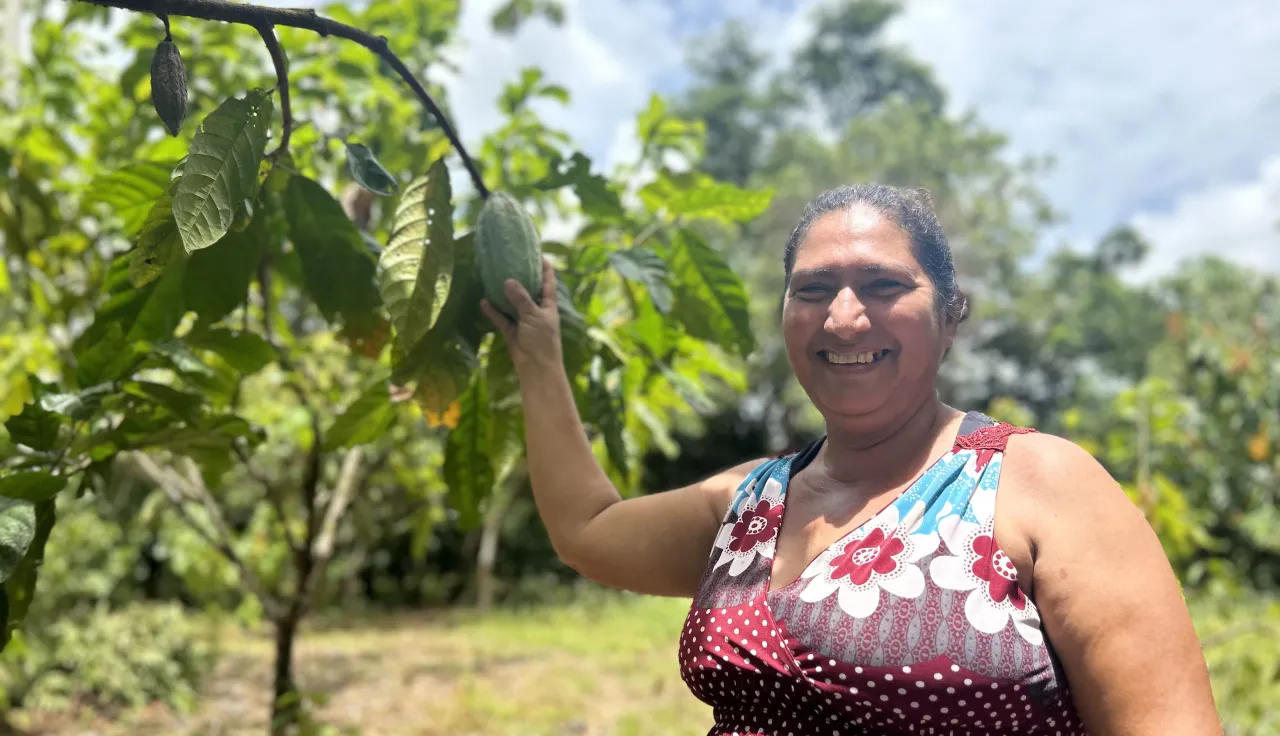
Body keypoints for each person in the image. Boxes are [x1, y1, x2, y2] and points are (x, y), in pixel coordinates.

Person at [480, 183, 1222, 736]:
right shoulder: (748, 504)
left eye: (882, 285)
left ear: (949, 312)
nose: (843, 316)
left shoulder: (1038, 485)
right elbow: (587, 527)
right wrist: (537, 354)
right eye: (812, 291)